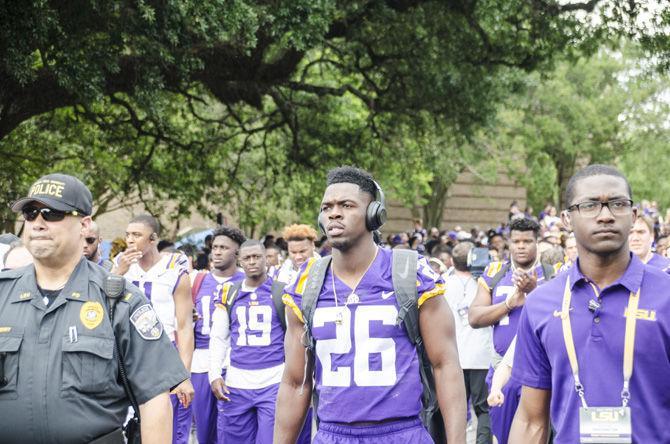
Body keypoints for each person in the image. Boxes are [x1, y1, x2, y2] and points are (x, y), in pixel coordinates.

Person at [274, 166, 466, 443]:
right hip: (332, 434)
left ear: (374, 214)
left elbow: (445, 365)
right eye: (327, 207)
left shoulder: (411, 275)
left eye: (346, 205)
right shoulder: (306, 285)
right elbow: (295, 382)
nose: (334, 213)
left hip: (401, 433)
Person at [0, 173, 189, 443]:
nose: (38, 223)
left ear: (84, 224)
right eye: (30, 214)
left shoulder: (119, 301)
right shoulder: (2, 294)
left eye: (52, 213)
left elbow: (155, 401)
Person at [510, 164, 670, 443]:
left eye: (617, 204)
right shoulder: (540, 304)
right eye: (590, 205)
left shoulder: (666, 295)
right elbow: (531, 420)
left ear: (633, 216)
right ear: (567, 219)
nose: (605, 216)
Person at [208, 240, 311, 444]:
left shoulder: (283, 291)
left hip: (274, 380)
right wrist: (214, 374)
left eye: (257, 257)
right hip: (236, 381)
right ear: (240, 261)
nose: (252, 262)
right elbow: (219, 337)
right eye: (247, 258)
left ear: (266, 259)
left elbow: (297, 337)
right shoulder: (228, 292)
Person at [113, 214, 195, 444]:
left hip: (163, 352)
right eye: (128, 235)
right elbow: (102, 303)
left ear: (153, 238)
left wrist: (183, 375)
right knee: (125, 426)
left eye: (137, 235)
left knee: (168, 426)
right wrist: (119, 271)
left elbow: (184, 325)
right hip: (126, 353)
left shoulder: (175, 268)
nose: (130, 240)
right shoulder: (120, 264)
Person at [468, 217, 549, 444]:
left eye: (527, 241)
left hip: (540, 370)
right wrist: (509, 304)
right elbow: (474, 317)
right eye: (516, 241)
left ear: (537, 242)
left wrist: (534, 293)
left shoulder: (552, 272)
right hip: (502, 366)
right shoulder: (495, 273)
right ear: (508, 243)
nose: (521, 246)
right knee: (499, 435)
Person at [190, 226, 246, 443]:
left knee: (233, 429)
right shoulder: (197, 281)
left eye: (224, 247)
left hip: (233, 361)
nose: (217, 252)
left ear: (237, 253)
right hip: (201, 361)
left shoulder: (246, 282)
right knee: (204, 430)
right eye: (215, 247)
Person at [444, 242, 493, 444]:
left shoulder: (443, 282)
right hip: (480, 355)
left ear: (452, 261)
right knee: (483, 409)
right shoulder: (486, 282)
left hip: (453, 356)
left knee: (455, 409)